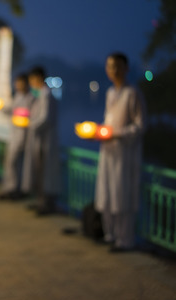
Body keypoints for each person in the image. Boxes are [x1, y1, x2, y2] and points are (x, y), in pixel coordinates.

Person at [94, 52, 146, 252]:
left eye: (116, 66)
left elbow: (140, 126)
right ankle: (110, 234)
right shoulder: (110, 93)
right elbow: (109, 122)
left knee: (122, 195)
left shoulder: (132, 93)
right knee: (107, 193)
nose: (112, 70)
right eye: (109, 66)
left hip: (125, 153)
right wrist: (99, 132)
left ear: (126, 69)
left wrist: (117, 134)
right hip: (108, 151)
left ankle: (125, 239)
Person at [21, 66, 61, 215]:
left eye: (32, 79)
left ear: (37, 78)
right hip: (40, 139)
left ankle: (47, 203)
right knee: (39, 171)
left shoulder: (46, 95)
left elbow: (45, 118)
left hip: (46, 140)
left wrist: (30, 125)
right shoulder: (39, 95)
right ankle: (41, 201)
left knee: (45, 171)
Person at [0, 73, 34, 201]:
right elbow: (12, 110)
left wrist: (20, 115)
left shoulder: (30, 98)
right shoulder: (17, 96)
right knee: (10, 163)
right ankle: (9, 188)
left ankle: (16, 189)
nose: (17, 85)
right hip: (13, 135)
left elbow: (27, 115)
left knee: (14, 163)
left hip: (22, 135)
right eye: (16, 83)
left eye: (20, 83)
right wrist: (1, 107)